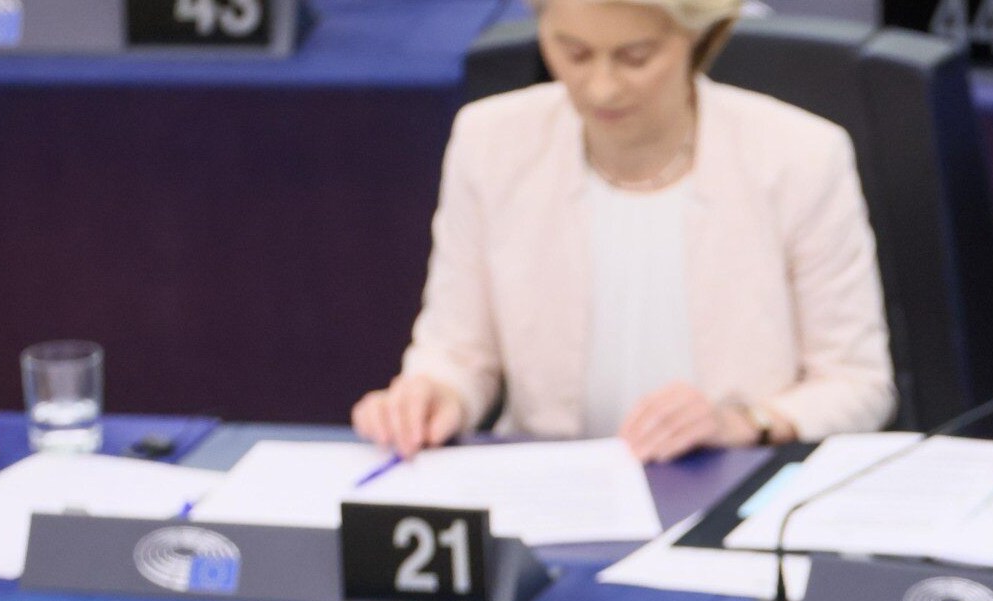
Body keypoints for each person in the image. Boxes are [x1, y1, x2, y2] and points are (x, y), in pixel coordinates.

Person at [353, 0, 895, 462]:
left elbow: (858, 384)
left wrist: (747, 421)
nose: (602, 88)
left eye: (635, 57)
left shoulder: (800, 156)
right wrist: (434, 393)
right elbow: (456, 352)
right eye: (574, 52)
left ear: (700, 39)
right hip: (551, 492)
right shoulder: (490, 141)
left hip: (731, 487)